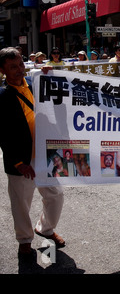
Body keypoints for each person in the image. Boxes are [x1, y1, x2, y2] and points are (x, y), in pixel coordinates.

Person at [0, 47, 65, 257]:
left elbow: (60, 99)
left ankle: (45, 229)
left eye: (20, 64)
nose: (19, 69)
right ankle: (25, 241)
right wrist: (18, 163)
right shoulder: (2, 96)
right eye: (13, 67)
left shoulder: (36, 83)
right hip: (21, 161)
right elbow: (3, 134)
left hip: (45, 154)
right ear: (3, 70)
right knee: (21, 203)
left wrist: (51, 76)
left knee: (55, 195)